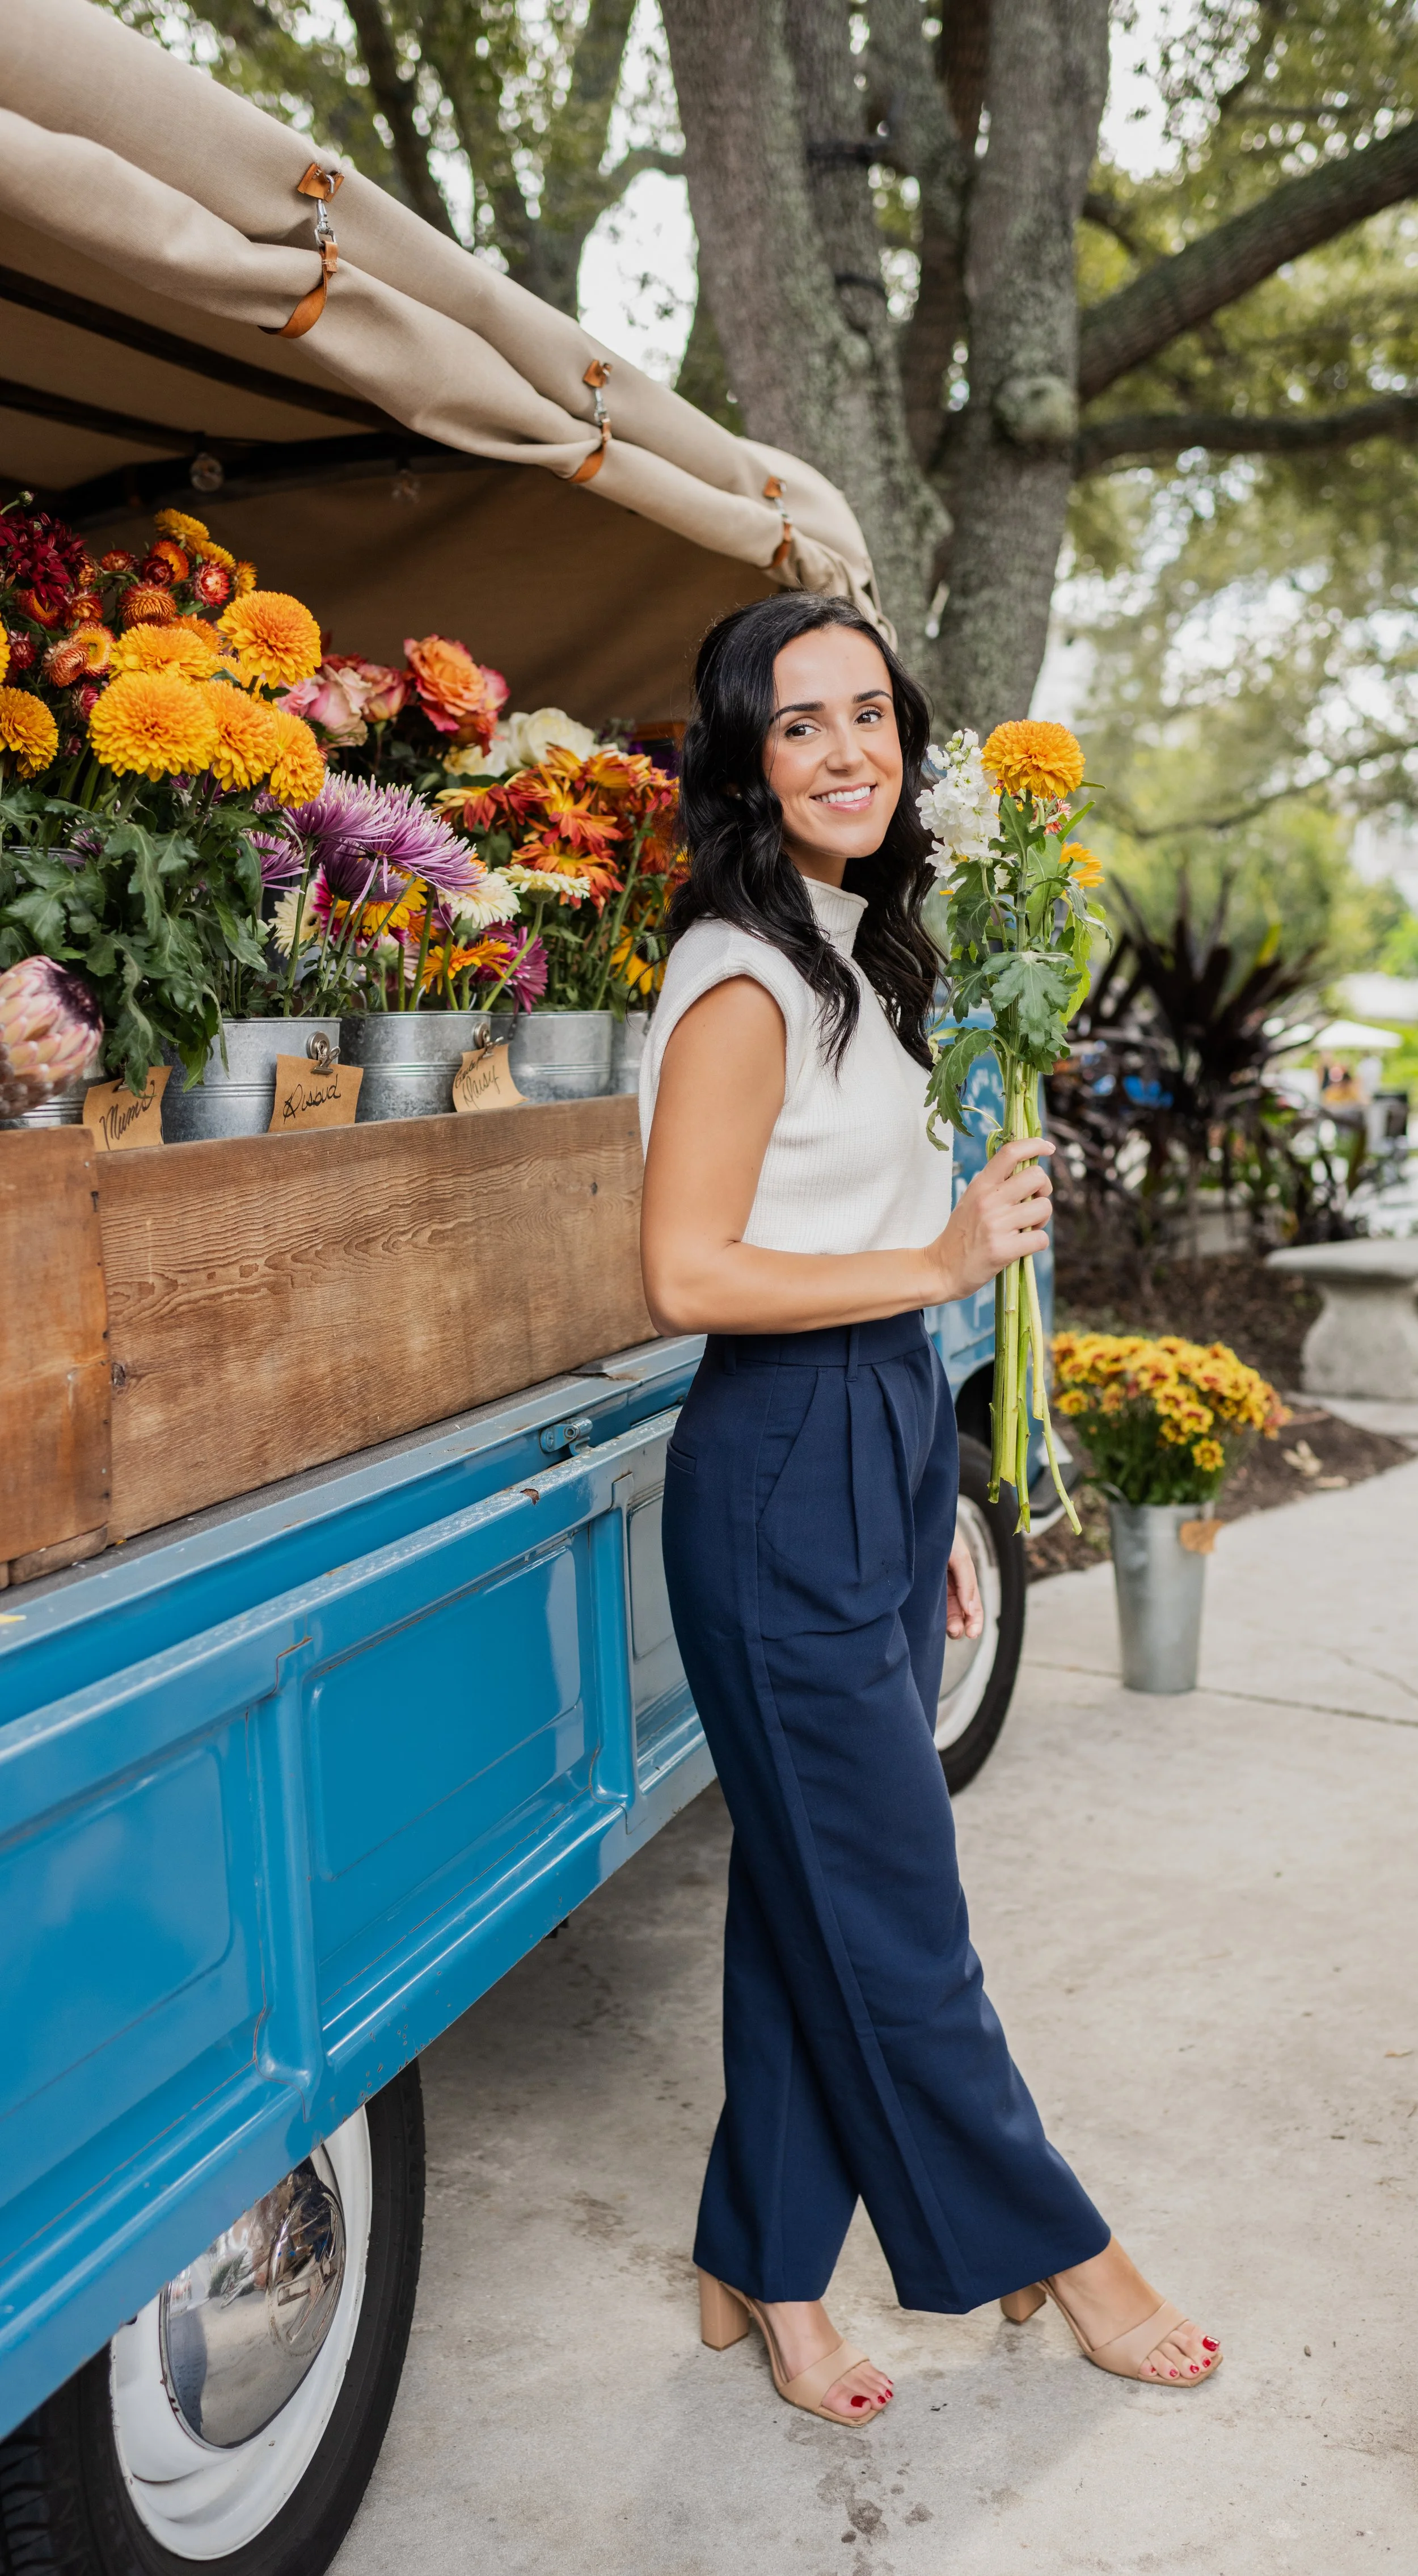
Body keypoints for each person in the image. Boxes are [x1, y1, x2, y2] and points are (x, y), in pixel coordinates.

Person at [639, 593, 1222, 2427]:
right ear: (746, 759)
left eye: (869, 715)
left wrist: (934, 1503)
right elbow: (682, 1272)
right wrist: (938, 1249)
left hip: (876, 1439)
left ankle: (762, 2255)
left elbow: (875, 1245)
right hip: (777, 1454)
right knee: (895, 1906)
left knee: (807, 1894)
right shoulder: (742, 974)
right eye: (797, 724)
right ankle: (1055, 2247)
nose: (845, 752)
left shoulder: (867, 948)